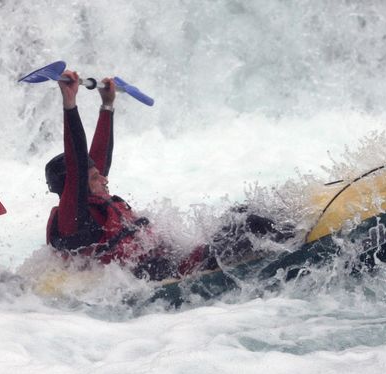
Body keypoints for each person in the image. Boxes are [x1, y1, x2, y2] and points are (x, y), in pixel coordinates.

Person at [44, 69, 292, 283]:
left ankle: (295, 232)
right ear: (74, 187)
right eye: (96, 177)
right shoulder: (72, 219)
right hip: (162, 273)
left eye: (100, 175)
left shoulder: (91, 200)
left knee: (243, 215)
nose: (105, 179)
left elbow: (94, 160)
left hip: (174, 259)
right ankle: (301, 246)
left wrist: (107, 105)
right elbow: (77, 160)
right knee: (252, 225)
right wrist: (70, 103)